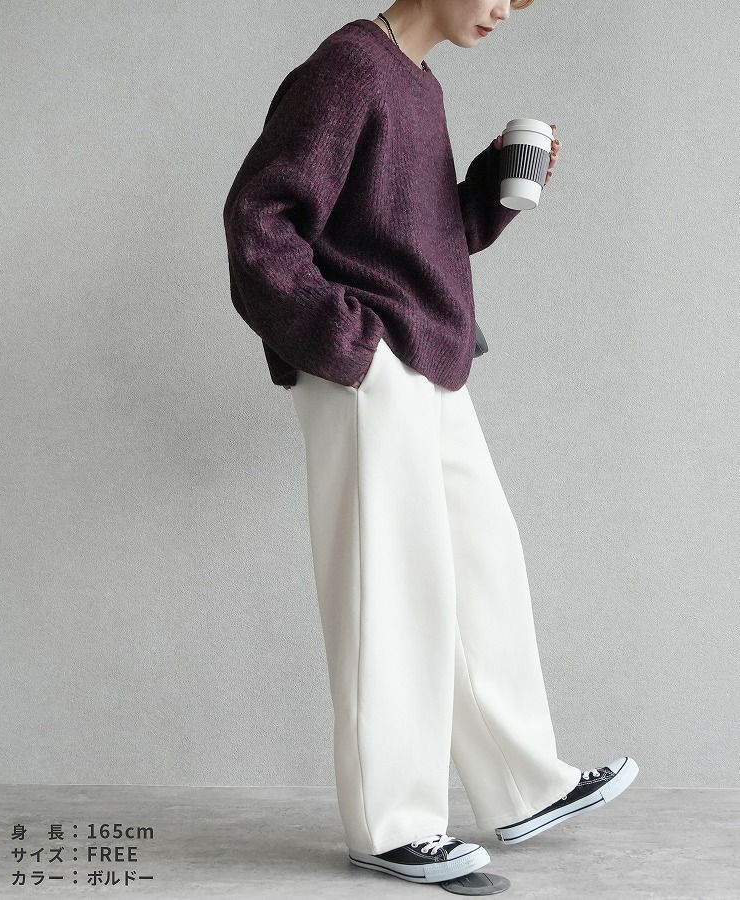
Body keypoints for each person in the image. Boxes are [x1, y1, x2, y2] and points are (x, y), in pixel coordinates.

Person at [223, 0, 639, 887]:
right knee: (391, 588)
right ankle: (392, 823)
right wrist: (348, 345)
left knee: (482, 566)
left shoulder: (417, 84)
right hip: (370, 365)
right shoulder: (349, 67)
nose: (502, 10)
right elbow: (260, 219)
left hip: (430, 360)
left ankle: (523, 784)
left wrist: (491, 189)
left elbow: (418, 244)